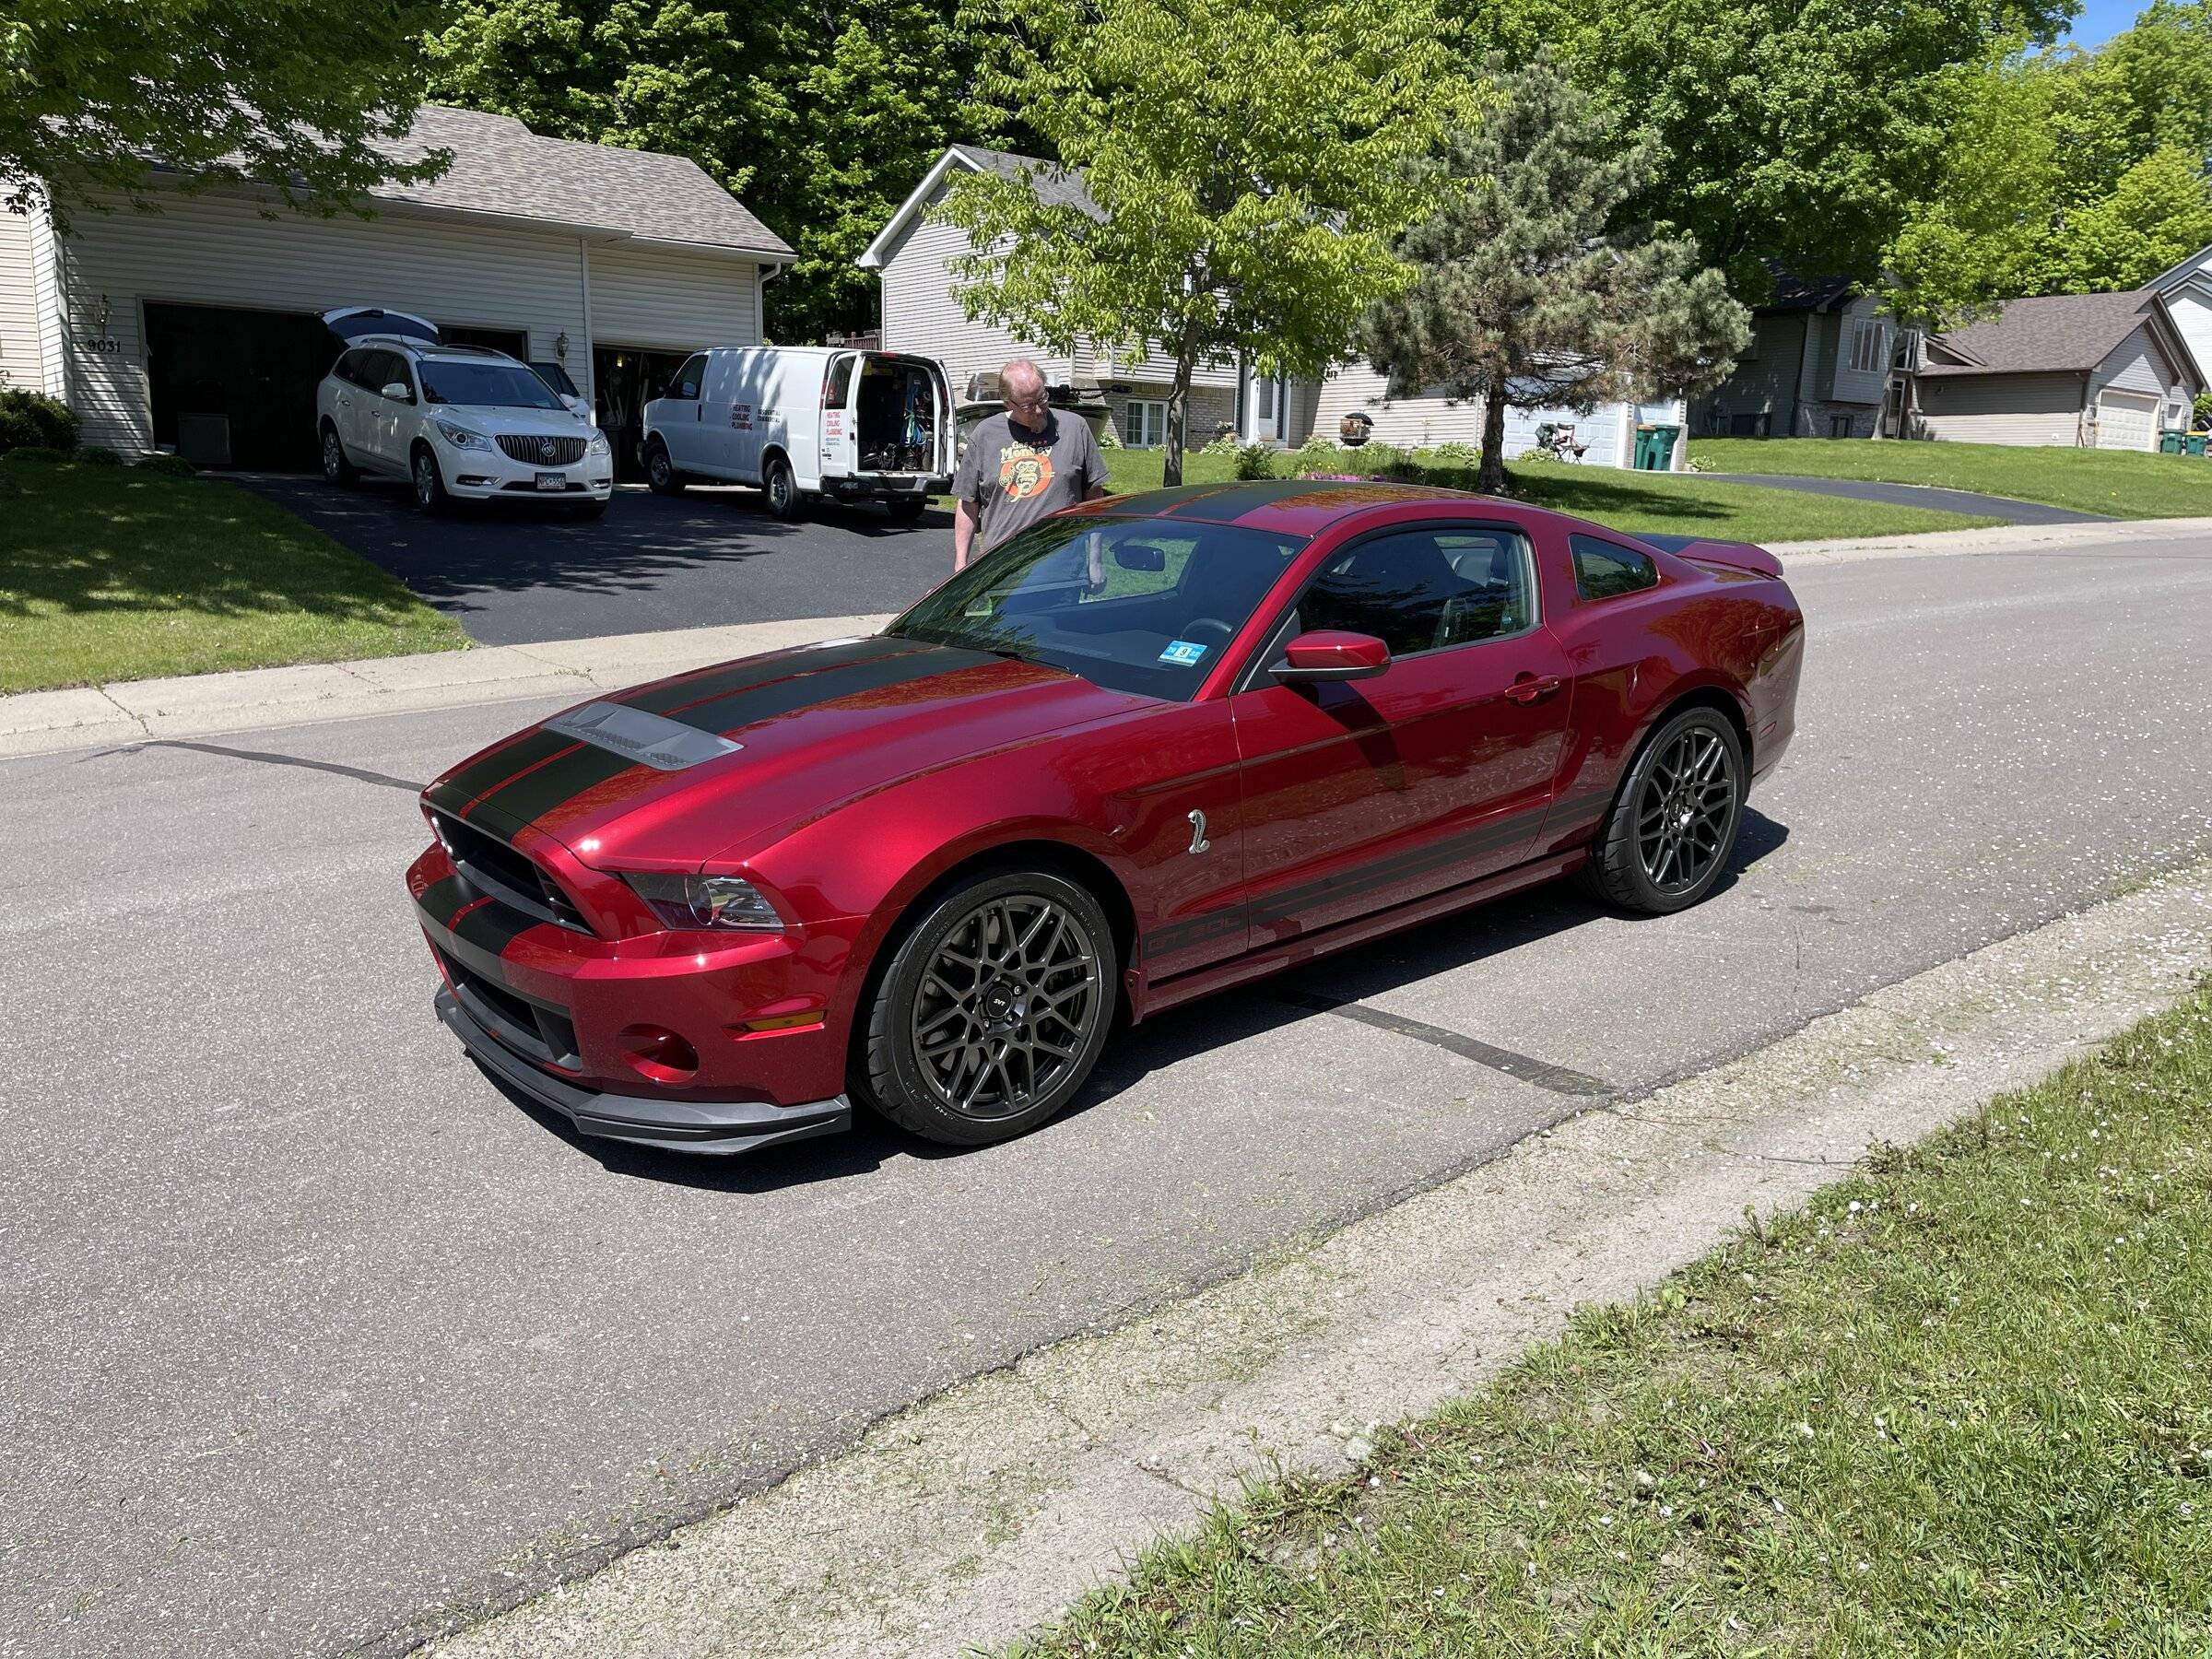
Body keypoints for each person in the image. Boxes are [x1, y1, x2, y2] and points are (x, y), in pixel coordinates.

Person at [952, 358, 1111, 571]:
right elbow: (967, 504)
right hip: (1002, 570)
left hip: (1063, 567)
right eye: (1028, 405)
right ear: (1008, 403)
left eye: (1042, 399)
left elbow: (1095, 502)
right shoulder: (985, 435)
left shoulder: (1075, 428)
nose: (1038, 410)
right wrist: (960, 562)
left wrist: (1095, 561)